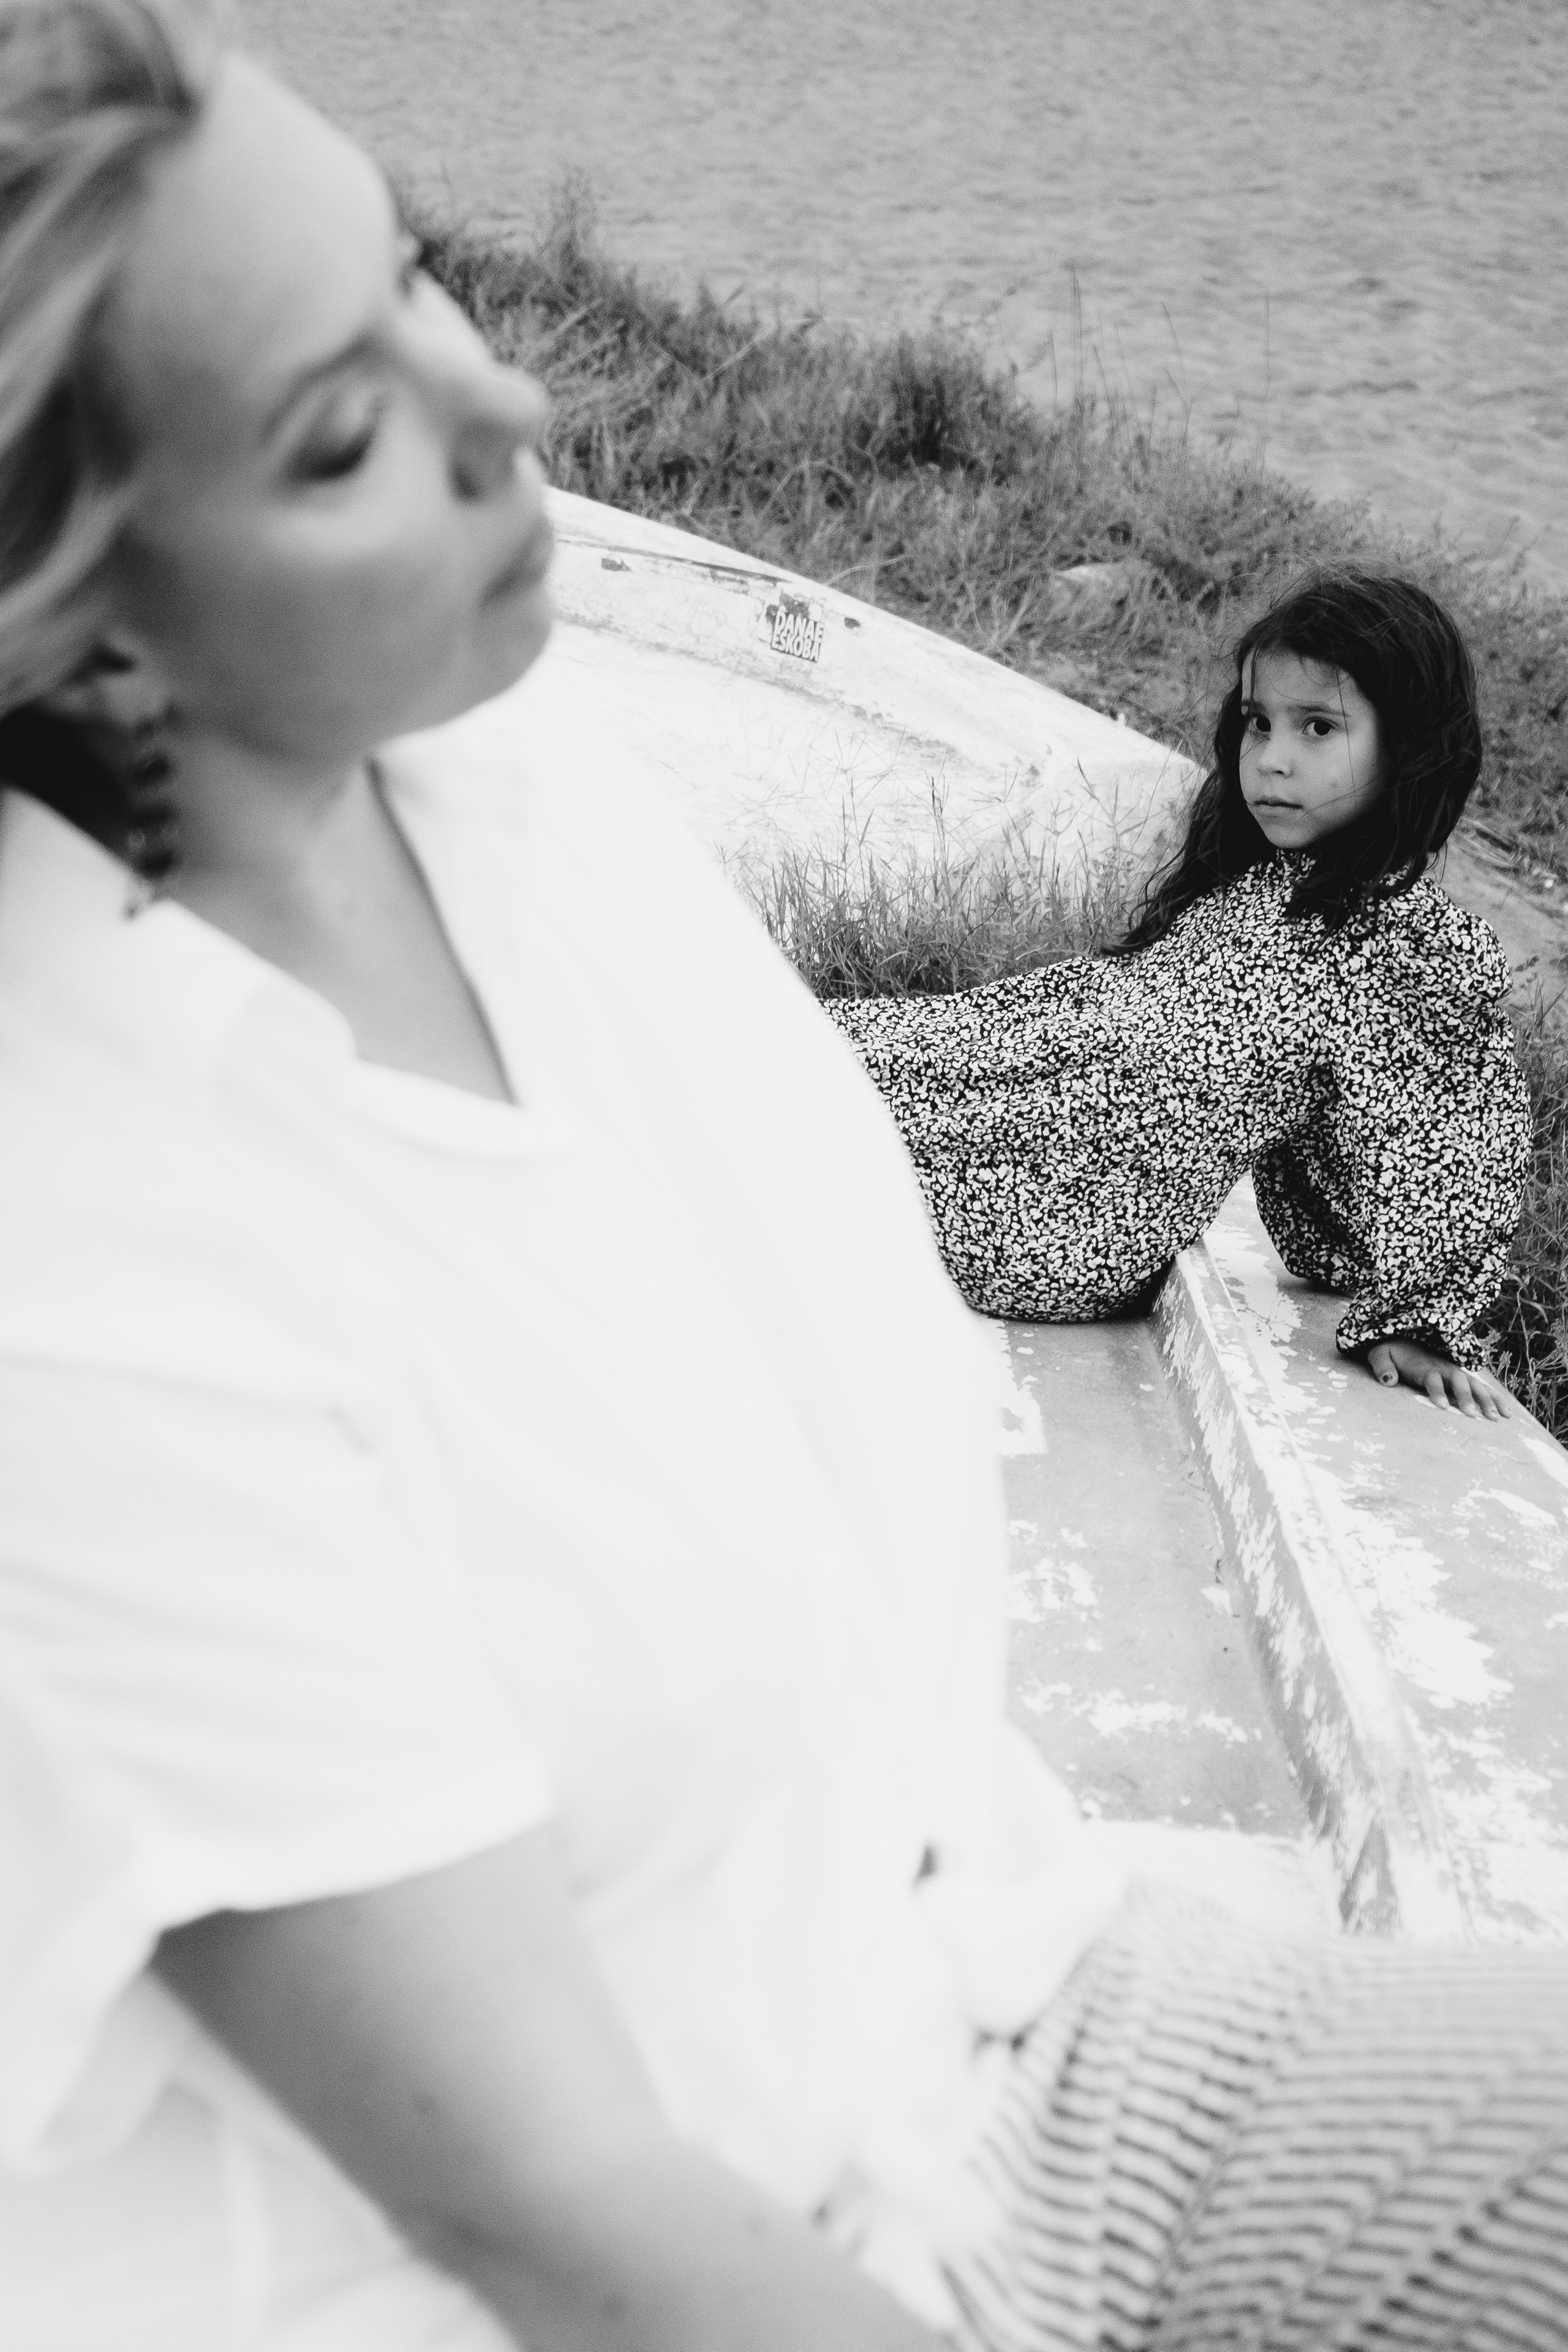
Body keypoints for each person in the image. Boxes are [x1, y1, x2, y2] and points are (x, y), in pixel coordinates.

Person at [0, 6, 1565, 2349]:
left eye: (416, 274)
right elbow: (570, 2219)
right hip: (772, 2261)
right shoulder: (86, 1280)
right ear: (73, 631)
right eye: (342, 433)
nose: (508, 411)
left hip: (1006, 2012)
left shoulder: (479, 750)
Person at [827, 573, 1530, 1419]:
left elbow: (1451, 1142)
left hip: (1055, 1201)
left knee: (765, 1114)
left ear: (1410, 747)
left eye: (1319, 728)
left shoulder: (1406, 944)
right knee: (778, 1038)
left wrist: (1418, 1317)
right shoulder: (1270, 884)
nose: (1271, 758)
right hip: (1019, 1106)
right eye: (1258, 723)